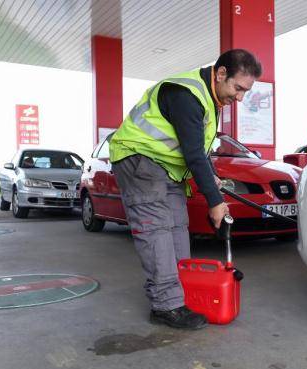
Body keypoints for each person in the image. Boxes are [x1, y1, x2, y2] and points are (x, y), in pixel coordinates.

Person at [109, 49, 262, 330]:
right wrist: (215, 202)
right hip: (138, 158)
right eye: (238, 88)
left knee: (178, 227)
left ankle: (184, 294)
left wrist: (212, 179)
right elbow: (192, 153)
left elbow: (199, 151)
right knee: (157, 231)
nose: (240, 98)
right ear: (220, 74)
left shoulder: (209, 98)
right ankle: (166, 306)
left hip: (167, 168)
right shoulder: (186, 95)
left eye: (245, 92)